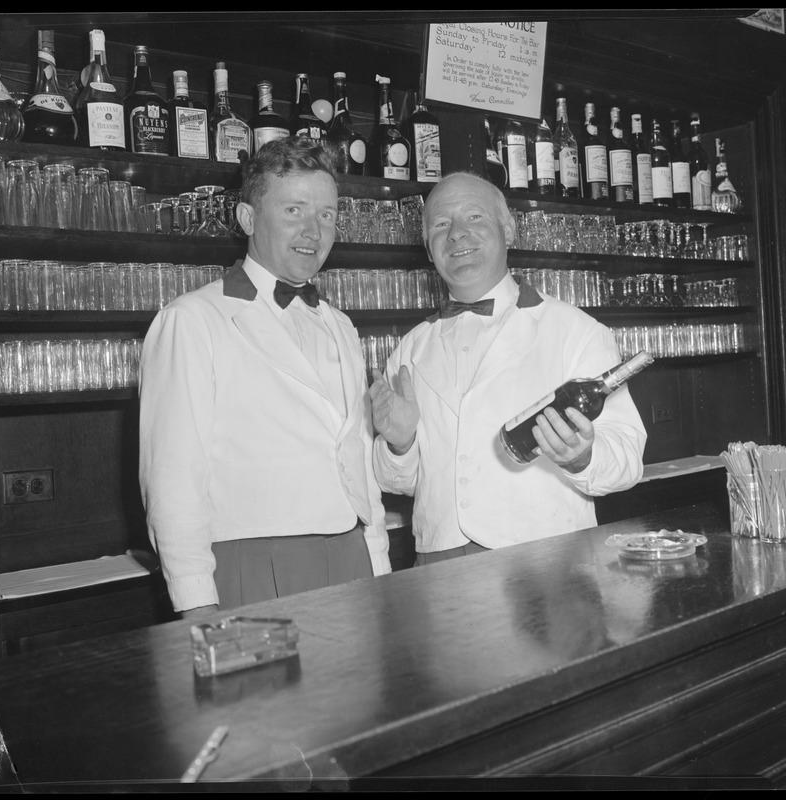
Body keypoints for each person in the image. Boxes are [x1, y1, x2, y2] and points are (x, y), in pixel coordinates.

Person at [139, 137, 391, 619]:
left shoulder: (340, 325)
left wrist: (376, 562)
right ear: (248, 219)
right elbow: (171, 479)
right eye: (294, 209)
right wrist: (196, 603)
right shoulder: (192, 319)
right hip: (252, 568)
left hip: (351, 557)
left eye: (327, 214)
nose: (313, 230)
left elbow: (354, 457)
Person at [370, 171, 646, 565]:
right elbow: (402, 481)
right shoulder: (409, 350)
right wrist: (399, 444)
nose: (457, 234)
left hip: (547, 560)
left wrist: (580, 458)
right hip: (437, 565)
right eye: (441, 224)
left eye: (474, 217)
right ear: (429, 249)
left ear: (509, 230)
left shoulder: (576, 331)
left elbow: (627, 461)